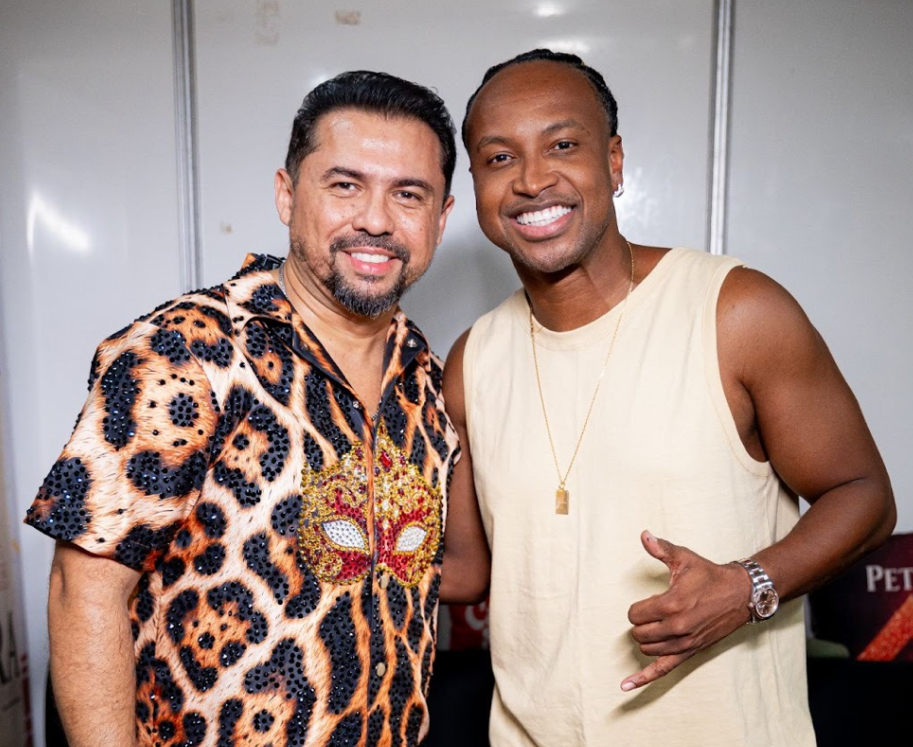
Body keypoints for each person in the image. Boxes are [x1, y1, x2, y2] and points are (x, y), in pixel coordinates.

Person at [440, 49, 896, 746]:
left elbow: (864, 495)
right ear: (475, 187)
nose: (531, 179)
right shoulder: (471, 360)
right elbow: (467, 571)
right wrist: (304, 538)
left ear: (614, 161)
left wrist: (747, 586)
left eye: (562, 145)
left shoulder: (735, 311)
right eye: (499, 158)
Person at [25, 70, 460, 747]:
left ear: (441, 216)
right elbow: (82, 590)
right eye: (344, 186)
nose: (376, 220)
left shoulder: (425, 381)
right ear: (287, 194)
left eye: (408, 194)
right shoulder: (186, 350)